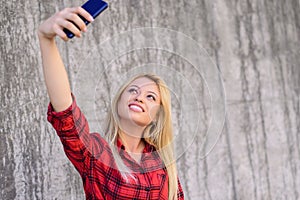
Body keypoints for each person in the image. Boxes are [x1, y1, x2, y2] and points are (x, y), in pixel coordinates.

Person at [38, 6, 184, 200]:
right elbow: (66, 114)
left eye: (151, 97)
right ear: (118, 102)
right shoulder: (97, 153)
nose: (139, 97)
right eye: (133, 90)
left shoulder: (163, 166)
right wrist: (46, 39)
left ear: (157, 116)